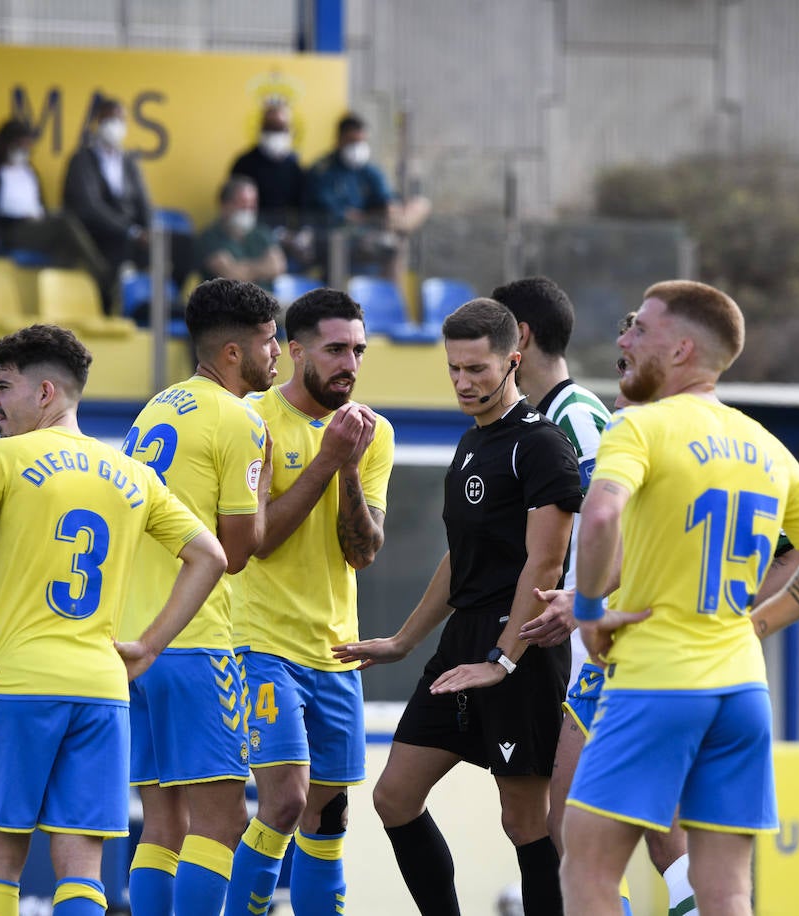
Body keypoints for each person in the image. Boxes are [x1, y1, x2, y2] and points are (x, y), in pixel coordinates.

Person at [561, 280, 799, 916]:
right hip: (742, 692)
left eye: (640, 328)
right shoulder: (766, 444)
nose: (624, 339)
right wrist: (754, 626)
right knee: (725, 891)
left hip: (657, 681)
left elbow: (597, 519)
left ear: (681, 350)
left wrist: (588, 611)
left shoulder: (639, 426)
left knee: (586, 867)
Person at [0, 324, 228, 916]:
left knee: (0, 864)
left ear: (43, 394)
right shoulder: (135, 476)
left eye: (2, 386)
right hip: (102, 689)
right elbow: (209, 556)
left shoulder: (4, 458)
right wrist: (149, 647)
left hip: (15, 684)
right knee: (84, 870)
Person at [335, 298, 580, 916]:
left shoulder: (542, 445)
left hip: (520, 646)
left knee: (526, 821)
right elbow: (459, 561)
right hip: (462, 645)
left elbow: (545, 564)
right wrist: (403, 641)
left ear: (513, 361)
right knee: (393, 796)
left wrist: (503, 660)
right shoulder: (473, 444)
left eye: (477, 368)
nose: (465, 382)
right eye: (454, 369)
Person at [493, 282, 692, 916]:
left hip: (616, 641)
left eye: (486, 347)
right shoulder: (546, 418)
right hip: (595, 645)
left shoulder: (575, 414)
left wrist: (577, 596)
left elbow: (615, 521)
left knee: (603, 825)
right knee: (594, 823)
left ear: (518, 340)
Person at [224, 288, 394, 916]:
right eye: (335, 349)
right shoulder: (253, 420)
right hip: (262, 643)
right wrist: (326, 461)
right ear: (296, 352)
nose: (350, 362)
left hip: (337, 652)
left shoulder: (373, 433)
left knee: (328, 815)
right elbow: (258, 542)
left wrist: (348, 465)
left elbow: (363, 550)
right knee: (286, 801)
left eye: (358, 349)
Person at [117, 278, 280, 916]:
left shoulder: (155, 408)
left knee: (163, 826)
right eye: (270, 342)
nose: (278, 357)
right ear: (235, 353)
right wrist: (264, 478)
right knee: (220, 825)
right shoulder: (239, 421)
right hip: (197, 642)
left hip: (137, 642)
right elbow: (238, 552)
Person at [0, 118, 115, 306]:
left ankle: (69, 302)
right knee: (65, 223)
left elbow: (40, 204)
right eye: (19, 144)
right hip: (11, 230)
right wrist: (18, 217)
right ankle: (105, 276)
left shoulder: (30, 171)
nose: (23, 150)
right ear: (6, 143)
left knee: (67, 248)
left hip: (37, 226)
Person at [306, 112, 430, 286]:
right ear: (339, 139)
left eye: (361, 141)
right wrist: (364, 217)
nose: (358, 147)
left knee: (417, 209)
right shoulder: (323, 170)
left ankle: (388, 302)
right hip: (335, 240)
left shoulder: (368, 170)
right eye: (352, 141)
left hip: (370, 233)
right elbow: (332, 212)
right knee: (390, 240)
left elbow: (387, 199)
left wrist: (389, 210)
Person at [61, 98, 155, 314]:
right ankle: (114, 303)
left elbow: (143, 202)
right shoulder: (82, 160)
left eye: (119, 119)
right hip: (99, 233)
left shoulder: (129, 162)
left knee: (174, 246)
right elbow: (89, 207)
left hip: (132, 234)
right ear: (97, 122)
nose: (115, 124)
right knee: (119, 254)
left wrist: (148, 231)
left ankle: (165, 308)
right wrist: (131, 231)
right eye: (108, 118)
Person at [228, 102, 314, 267]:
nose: (275, 133)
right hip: (250, 239)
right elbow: (236, 211)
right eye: (270, 127)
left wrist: (301, 234)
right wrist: (274, 234)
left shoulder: (294, 167)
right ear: (261, 128)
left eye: (280, 128)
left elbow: (304, 209)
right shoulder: (244, 163)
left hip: (287, 241)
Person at [196, 177, 286, 289]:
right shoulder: (209, 238)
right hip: (225, 303)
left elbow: (278, 267)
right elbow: (232, 276)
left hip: (265, 302)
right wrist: (263, 267)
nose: (248, 209)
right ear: (224, 205)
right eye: (243, 204)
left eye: (252, 204)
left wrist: (242, 268)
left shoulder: (261, 233)